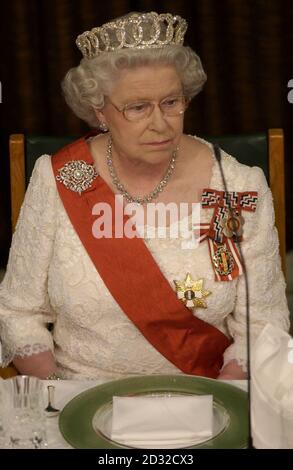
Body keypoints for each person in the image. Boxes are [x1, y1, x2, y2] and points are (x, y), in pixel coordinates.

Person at [0, 12, 290, 381]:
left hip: (205, 396)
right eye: (137, 107)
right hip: (80, 398)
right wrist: (60, 400)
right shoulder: (60, 180)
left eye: (171, 102)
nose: (160, 123)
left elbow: (262, 324)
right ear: (98, 111)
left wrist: (219, 407)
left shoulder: (237, 186)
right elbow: (17, 312)